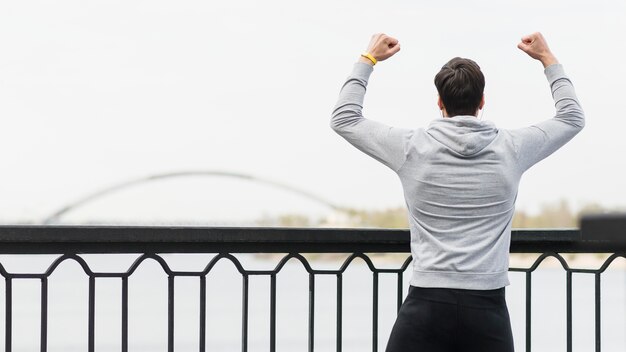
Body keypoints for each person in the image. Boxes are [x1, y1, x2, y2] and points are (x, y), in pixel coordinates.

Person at [330, 32, 584, 352]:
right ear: (482, 102)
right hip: (487, 309)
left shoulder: (411, 148)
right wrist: (548, 58)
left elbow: (345, 118)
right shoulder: (513, 148)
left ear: (440, 103)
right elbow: (572, 118)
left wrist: (368, 59)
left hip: (425, 306)